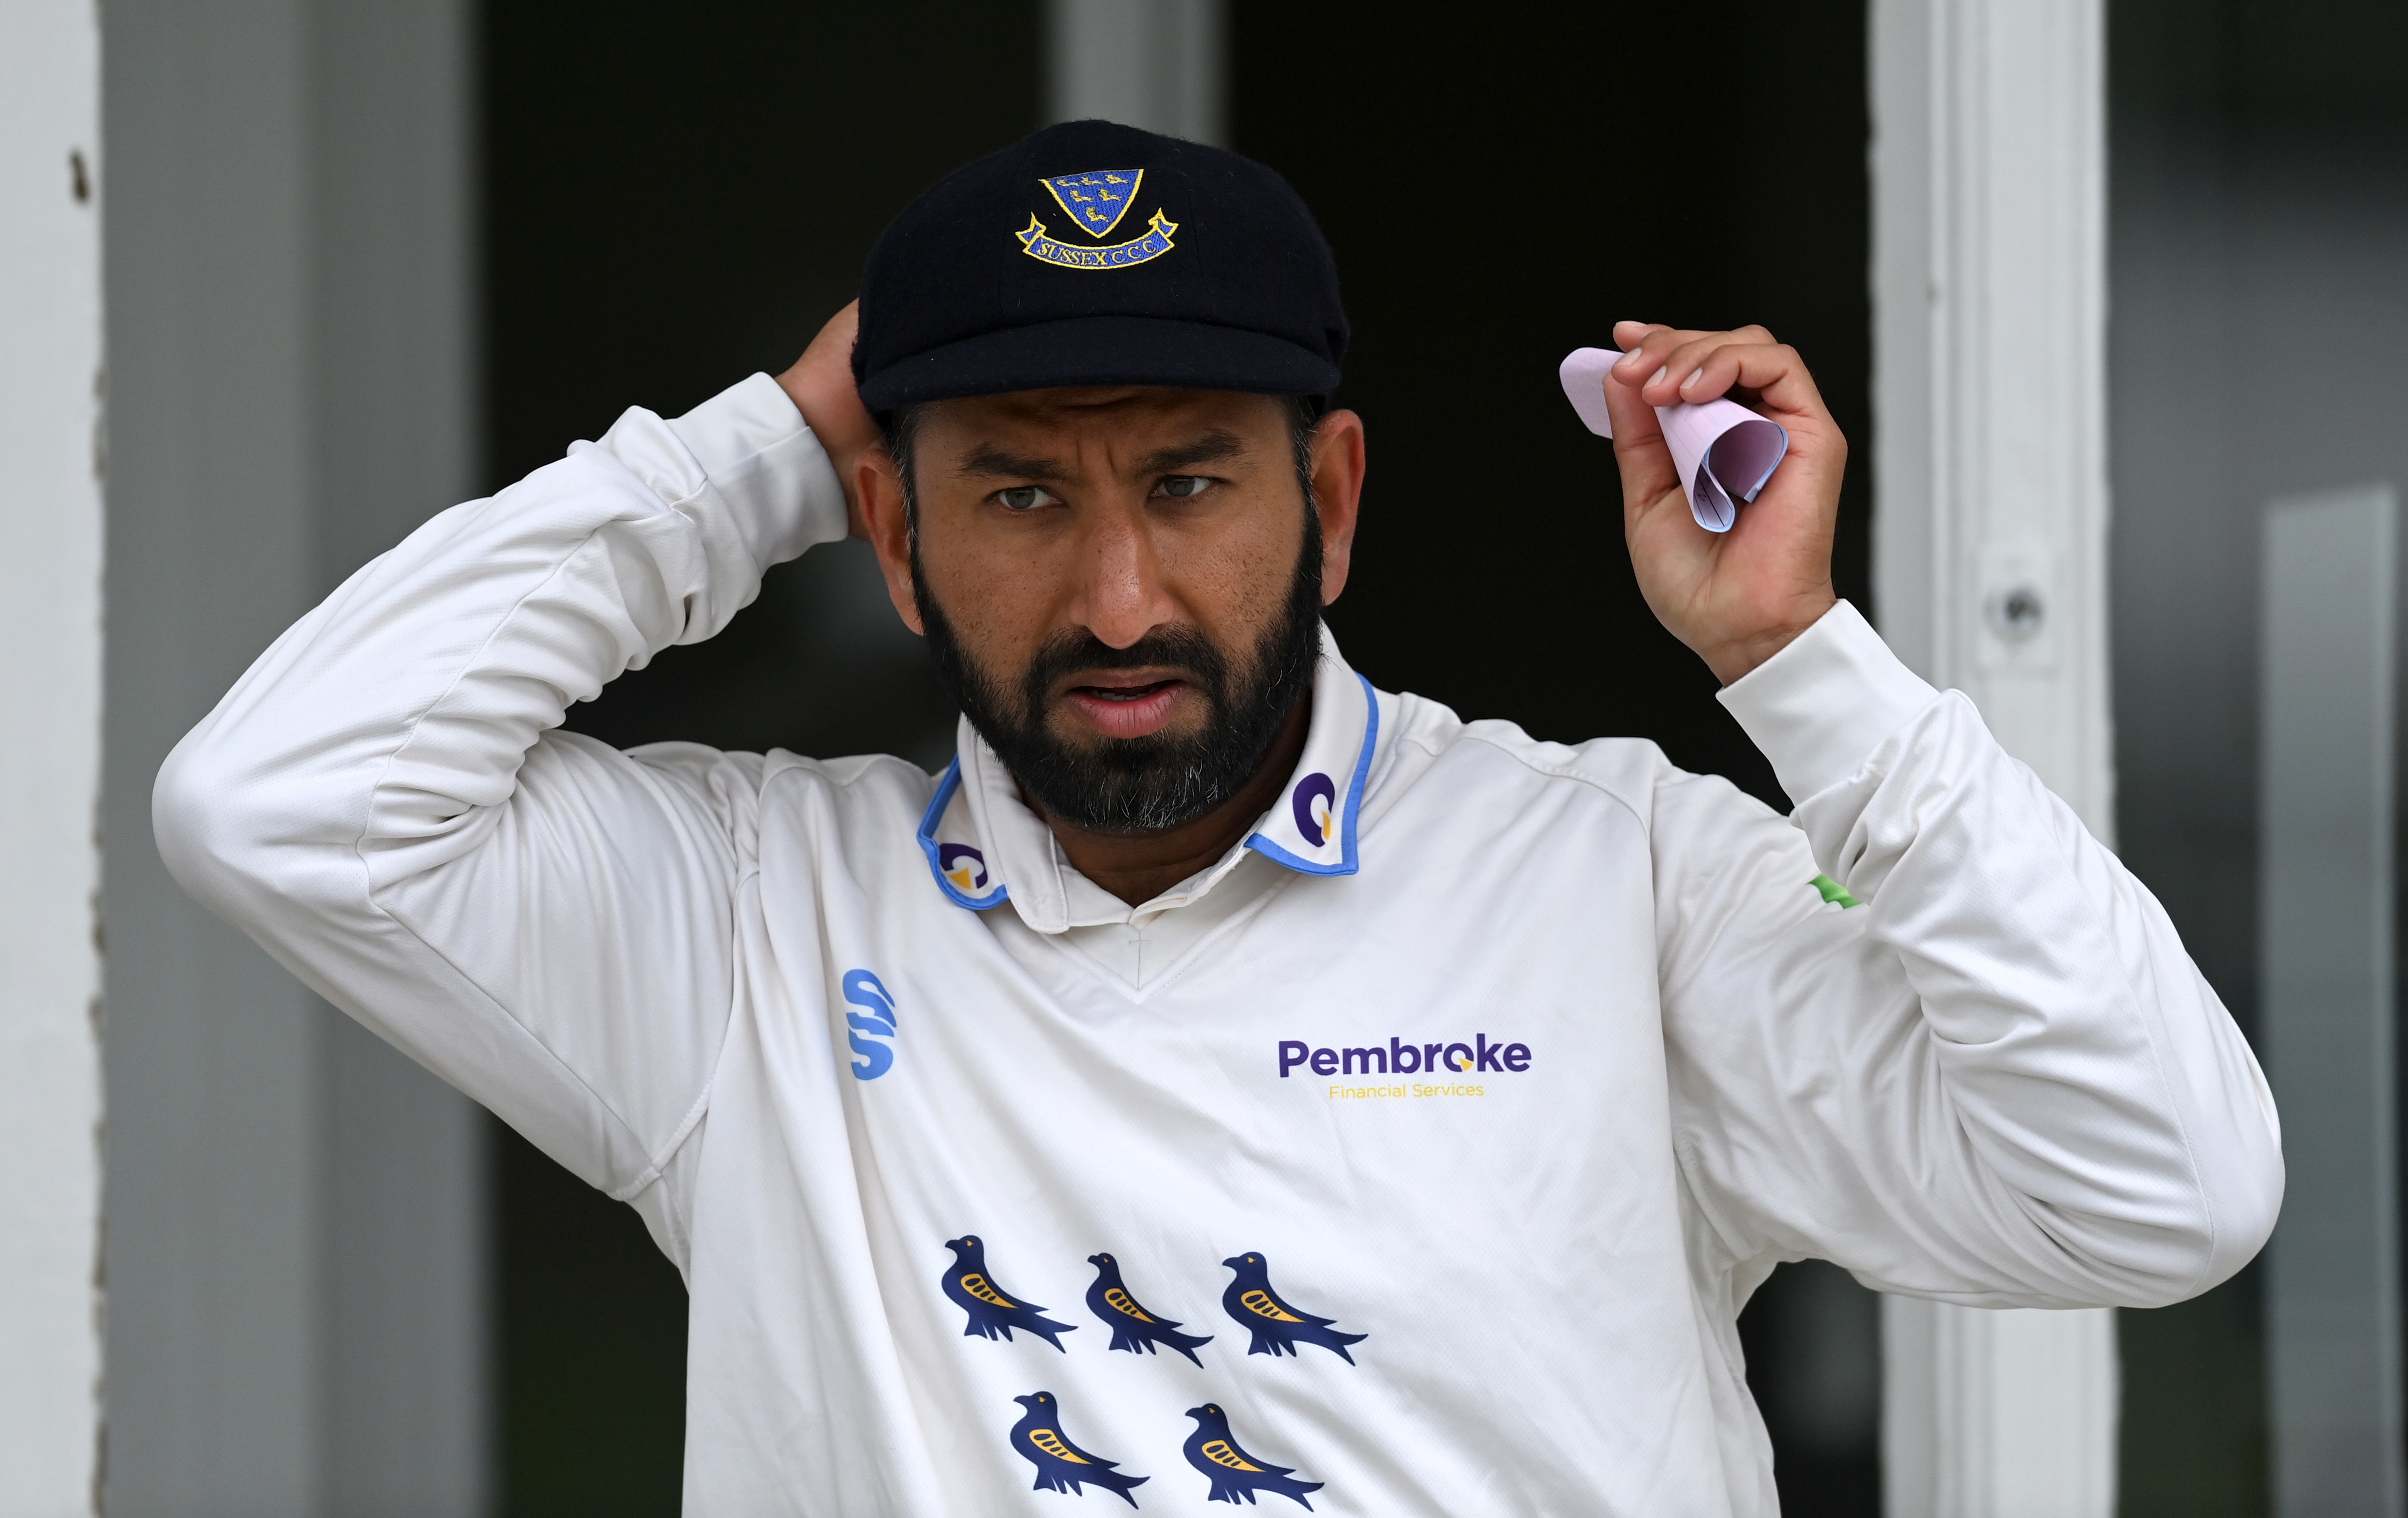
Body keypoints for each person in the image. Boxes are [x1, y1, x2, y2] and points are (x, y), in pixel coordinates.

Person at [155, 119, 2281, 1515]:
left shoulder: (1613, 876)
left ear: (1329, 502)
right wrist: (766, 452)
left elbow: (2163, 1184)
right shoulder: (745, 926)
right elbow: (278, 801)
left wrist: (1799, 660)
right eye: (1013, 489)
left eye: (1187, 478)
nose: (1116, 599)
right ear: (887, 533)